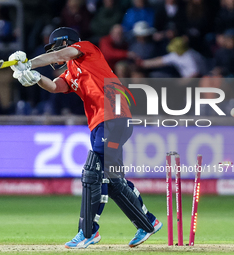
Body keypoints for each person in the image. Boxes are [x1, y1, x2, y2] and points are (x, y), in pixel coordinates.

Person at [8, 27, 162, 249]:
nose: (55, 53)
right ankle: (148, 222)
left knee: (93, 173)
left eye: (56, 47)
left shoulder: (87, 49)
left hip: (114, 115)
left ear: (67, 43)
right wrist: (35, 77)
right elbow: (54, 86)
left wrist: (29, 63)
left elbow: (60, 55)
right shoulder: (71, 71)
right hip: (101, 123)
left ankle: (88, 232)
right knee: (113, 180)